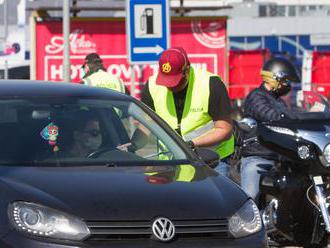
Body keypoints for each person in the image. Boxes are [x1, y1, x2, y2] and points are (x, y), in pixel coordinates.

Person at [140, 47, 234, 176]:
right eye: (167, 82)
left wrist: (190, 144)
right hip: (170, 162)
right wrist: (131, 146)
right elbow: (145, 126)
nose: (171, 86)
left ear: (187, 69)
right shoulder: (152, 86)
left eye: (176, 82)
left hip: (212, 160)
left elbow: (224, 129)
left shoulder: (211, 85)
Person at [240, 57, 300, 200]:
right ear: (275, 79)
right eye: (285, 81)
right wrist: (296, 118)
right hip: (258, 157)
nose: (288, 85)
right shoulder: (256, 97)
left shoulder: (278, 101)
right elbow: (271, 116)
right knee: (249, 201)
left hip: (279, 158)